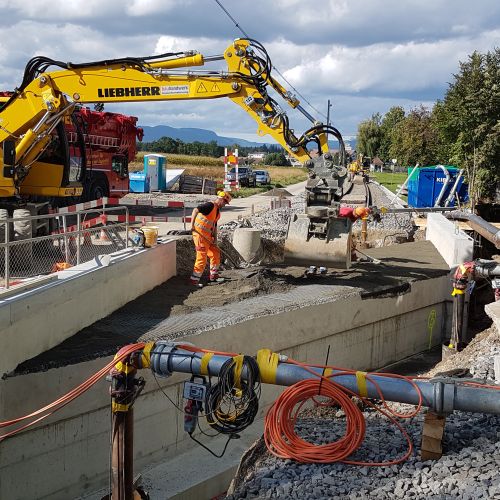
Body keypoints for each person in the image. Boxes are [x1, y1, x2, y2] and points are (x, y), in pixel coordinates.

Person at [190, 191, 232, 285]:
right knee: (202, 257)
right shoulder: (210, 206)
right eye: (225, 202)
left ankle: (213, 276)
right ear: (221, 199)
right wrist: (192, 225)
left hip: (208, 237)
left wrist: (215, 241)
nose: (225, 205)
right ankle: (194, 280)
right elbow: (195, 210)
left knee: (215, 253)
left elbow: (214, 227)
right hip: (200, 235)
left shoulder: (217, 212)